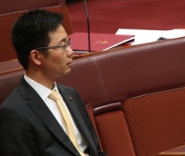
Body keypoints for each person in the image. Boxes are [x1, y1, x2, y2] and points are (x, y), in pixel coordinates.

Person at [0, 9, 106, 155]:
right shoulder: (14, 112)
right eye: (62, 46)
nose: (70, 51)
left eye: (68, 42)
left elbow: (95, 151)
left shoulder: (70, 94)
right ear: (36, 57)